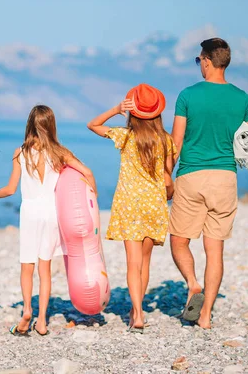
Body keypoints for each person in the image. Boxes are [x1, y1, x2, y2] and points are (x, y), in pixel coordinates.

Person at [169, 38, 248, 329]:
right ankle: (206, 315)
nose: (199, 64)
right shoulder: (242, 98)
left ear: (208, 61)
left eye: (199, 60)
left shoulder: (187, 95)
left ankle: (192, 283)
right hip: (225, 178)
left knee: (179, 241)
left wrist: (165, 176)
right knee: (215, 250)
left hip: (191, 176)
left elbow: (176, 142)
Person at [0, 105, 96, 336]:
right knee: (45, 268)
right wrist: (91, 201)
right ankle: (42, 321)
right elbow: (87, 173)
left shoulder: (20, 153)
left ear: (30, 124)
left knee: (27, 267)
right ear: (51, 125)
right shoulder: (60, 153)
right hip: (52, 213)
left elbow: (11, 189)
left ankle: (26, 311)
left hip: (30, 212)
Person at [88, 84, 175, 333]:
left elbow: (92, 125)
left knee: (132, 263)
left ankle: (136, 313)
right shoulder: (166, 140)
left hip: (129, 206)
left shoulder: (125, 136)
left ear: (132, 112)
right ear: (157, 113)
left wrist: (116, 109)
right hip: (154, 205)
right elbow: (169, 176)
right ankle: (139, 309)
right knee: (145, 262)